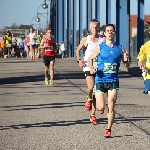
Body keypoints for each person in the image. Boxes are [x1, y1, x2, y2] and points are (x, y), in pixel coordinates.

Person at [88, 24, 130, 137]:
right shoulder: (100, 47)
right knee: (100, 107)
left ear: (114, 33)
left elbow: (127, 65)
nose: (110, 32)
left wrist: (126, 60)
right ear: (105, 33)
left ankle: (108, 129)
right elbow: (90, 59)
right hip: (101, 79)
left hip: (113, 80)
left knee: (111, 104)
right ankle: (97, 105)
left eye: (112, 31)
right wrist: (91, 68)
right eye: (108, 31)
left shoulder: (120, 48)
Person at [76, 19, 104, 125]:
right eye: (92, 27)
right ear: (90, 28)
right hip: (88, 66)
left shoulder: (103, 39)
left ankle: (92, 115)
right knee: (91, 87)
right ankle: (88, 99)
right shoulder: (86, 39)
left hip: (99, 67)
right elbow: (78, 50)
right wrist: (79, 60)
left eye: (96, 27)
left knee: (97, 92)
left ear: (99, 28)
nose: (95, 29)